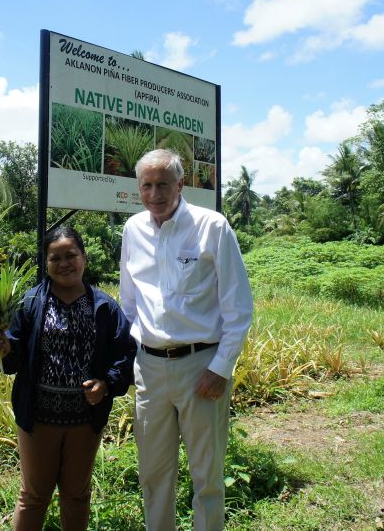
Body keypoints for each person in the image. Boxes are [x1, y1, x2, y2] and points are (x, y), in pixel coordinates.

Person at [120, 149, 253, 531]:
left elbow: (238, 307)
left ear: (181, 184)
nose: (155, 193)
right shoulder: (133, 230)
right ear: (139, 188)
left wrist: (221, 368)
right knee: (153, 473)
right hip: (150, 368)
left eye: (163, 184)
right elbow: (129, 302)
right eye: (147, 185)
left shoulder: (212, 227)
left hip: (201, 367)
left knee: (207, 475)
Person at [0, 226, 137, 531]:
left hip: (84, 419)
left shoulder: (105, 307)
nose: (64, 263)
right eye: (55, 257)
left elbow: (124, 352)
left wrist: (106, 383)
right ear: (45, 263)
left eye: (71, 255)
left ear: (84, 257)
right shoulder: (30, 304)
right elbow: (13, 358)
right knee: (34, 495)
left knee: (76, 495)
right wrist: (3, 349)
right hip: (38, 418)